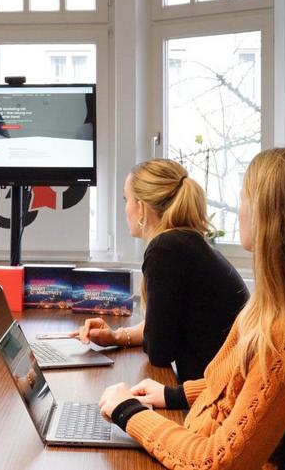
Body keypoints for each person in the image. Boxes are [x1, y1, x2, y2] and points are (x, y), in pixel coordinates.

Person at [99, 148, 285, 470]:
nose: (239, 210)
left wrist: (128, 411)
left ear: (269, 218)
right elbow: (245, 384)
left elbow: (217, 463)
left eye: (244, 198)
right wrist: (174, 395)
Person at [72, 159, 248, 382]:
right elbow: (163, 326)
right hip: (218, 384)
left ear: (141, 207)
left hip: (214, 392)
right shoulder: (185, 243)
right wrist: (116, 336)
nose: (125, 209)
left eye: (126, 199)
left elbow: (160, 351)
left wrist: (131, 337)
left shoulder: (165, 249)